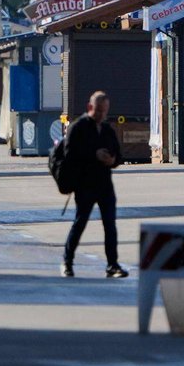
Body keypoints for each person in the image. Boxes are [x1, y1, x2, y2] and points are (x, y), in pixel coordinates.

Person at [60, 91, 128, 279]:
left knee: (110, 225)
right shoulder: (78, 127)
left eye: (104, 111)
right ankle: (67, 262)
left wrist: (112, 160)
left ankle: (112, 265)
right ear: (90, 107)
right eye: (98, 111)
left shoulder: (107, 129)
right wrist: (94, 155)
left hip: (105, 184)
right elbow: (69, 155)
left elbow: (119, 155)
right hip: (85, 184)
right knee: (80, 222)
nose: (101, 115)